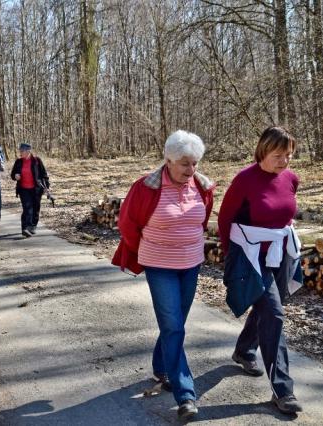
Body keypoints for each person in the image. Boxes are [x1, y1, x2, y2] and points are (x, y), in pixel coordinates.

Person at [112, 130, 215, 421]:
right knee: (173, 325)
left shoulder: (203, 187)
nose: (190, 170)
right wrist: (148, 250)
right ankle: (185, 393)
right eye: (184, 163)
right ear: (168, 160)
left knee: (175, 323)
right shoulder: (145, 187)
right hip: (159, 266)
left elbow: (203, 220)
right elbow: (128, 225)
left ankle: (161, 365)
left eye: (194, 163)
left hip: (191, 264)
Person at [218, 126, 303, 415]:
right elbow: (225, 219)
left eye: (289, 155)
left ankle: (243, 350)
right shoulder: (244, 180)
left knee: (268, 309)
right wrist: (231, 259)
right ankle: (283, 389)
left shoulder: (291, 179)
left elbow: (285, 214)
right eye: (279, 155)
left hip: (280, 256)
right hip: (251, 258)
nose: (285, 161)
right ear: (263, 151)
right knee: (274, 313)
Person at [10, 142, 49, 237]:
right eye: (20, 150)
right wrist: (15, 176)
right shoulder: (18, 162)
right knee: (27, 208)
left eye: (22, 151)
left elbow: (44, 175)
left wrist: (46, 187)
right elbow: (12, 175)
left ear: (28, 151)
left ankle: (33, 226)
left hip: (36, 189)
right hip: (23, 189)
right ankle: (25, 228)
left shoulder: (36, 160)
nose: (20, 152)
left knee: (36, 208)